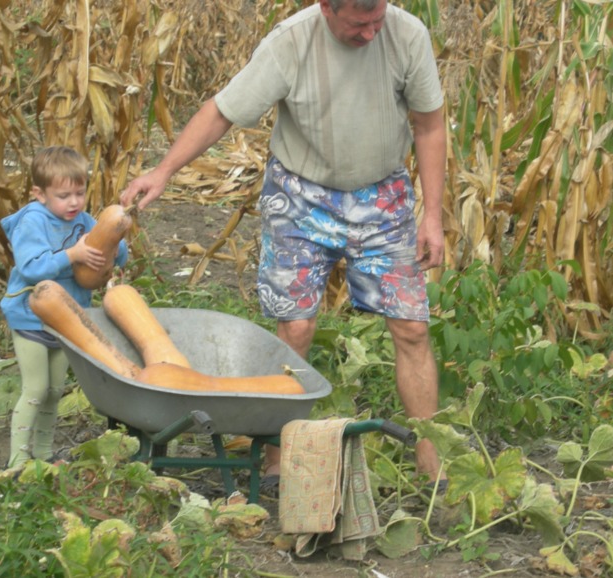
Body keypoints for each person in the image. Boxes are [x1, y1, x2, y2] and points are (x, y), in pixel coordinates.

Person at [121, 0, 447, 488]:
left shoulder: (407, 34)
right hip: (300, 195)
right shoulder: (291, 41)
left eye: (377, 19)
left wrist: (434, 216)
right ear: (326, 8)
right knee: (294, 329)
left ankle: (431, 461)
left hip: (382, 197)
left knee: (412, 329)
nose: (370, 33)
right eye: (359, 24)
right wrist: (163, 171)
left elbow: (430, 124)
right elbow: (221, 112)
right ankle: (275, 455)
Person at [1, 146, 129, 467]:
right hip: (30, 317)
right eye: (63, 195)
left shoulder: (84, 221)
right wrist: (72, 255)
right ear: (39, 194)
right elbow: (31, 267)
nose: (73, 202)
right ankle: (17, 462)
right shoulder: (33, 221)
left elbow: (111, 246)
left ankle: (43, 454)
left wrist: (115, 247)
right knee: (36, 388)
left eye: (79, 193)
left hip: (67, 319)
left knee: (56, 389)